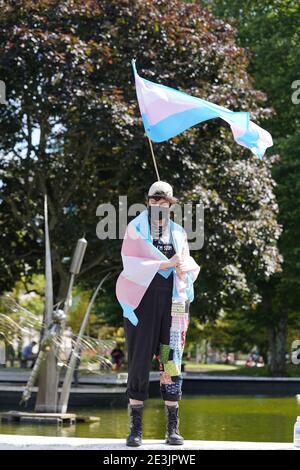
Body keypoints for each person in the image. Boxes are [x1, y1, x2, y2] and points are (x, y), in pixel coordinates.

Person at [116, 181, 200, 447]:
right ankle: (136, 429)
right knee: (140, 361)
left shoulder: (178, 233)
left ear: (171, 206)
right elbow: (130, 263)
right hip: (143, 305)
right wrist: (166, 262)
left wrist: (185, 266)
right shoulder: (135, 229)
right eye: (155, 201)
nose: (159, 207)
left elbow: (186, 263)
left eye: (164, 203)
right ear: (147, 202)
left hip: (172, 307)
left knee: (170, 359)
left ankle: (172, 428)